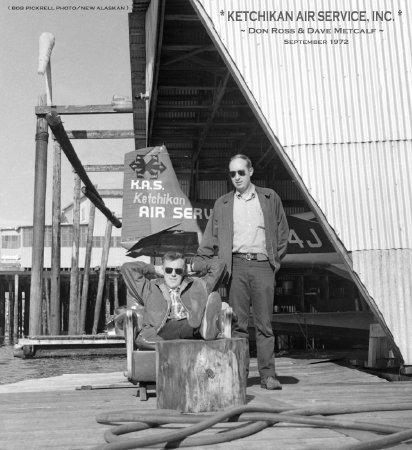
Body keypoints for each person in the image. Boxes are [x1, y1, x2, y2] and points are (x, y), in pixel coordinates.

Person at [194, 154, 289, 390]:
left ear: (251, 172)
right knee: (238, 324)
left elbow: (283, 233)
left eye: (241, 172)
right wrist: (200, 260)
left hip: (262, 266)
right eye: (233, 173)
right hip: (236, 267)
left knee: (265, 324)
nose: (237, 177)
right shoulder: (223, 204)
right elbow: (210, 237)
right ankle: (240, 375)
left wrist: (273, 262)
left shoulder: (269, 198)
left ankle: (268, 375)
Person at [118, 252, 226, 348]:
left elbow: (219, 265)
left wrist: (192, 267)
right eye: (168, 270)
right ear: (163, 270)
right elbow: (127, 268)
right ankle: (204, 326)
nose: (173, 274)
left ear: (183, 271)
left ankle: (204, 324)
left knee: (191, 322)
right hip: (162, 329)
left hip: (190, 325)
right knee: (188, 324)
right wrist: (154, 268)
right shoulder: (149, 288)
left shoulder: (196, 285)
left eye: (178, 270)